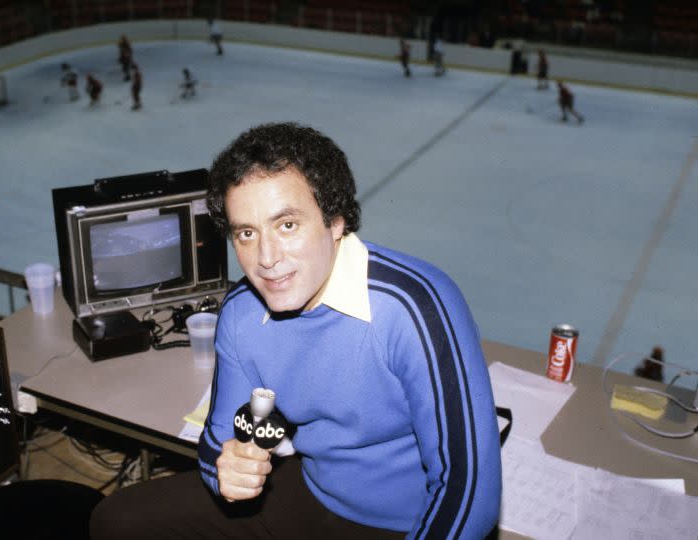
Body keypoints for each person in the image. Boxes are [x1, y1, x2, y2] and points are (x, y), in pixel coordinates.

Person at [90, 123, 502, 539]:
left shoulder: (414, 306)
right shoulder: (242, 313)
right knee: (116, 521)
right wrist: (227, 471)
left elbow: (469, 491)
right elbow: (218, 441)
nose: (266, 258)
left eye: (287, 225)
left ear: (335, 220)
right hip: (311, 493)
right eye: (247, 233)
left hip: (410, 525)